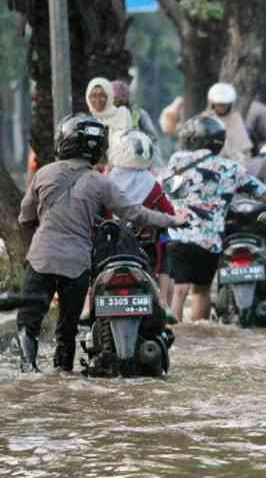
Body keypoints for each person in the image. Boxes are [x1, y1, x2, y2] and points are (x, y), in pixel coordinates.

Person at [15, 114, 188, 373]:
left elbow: (25, 217)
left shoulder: (43, 174)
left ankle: (29, 369)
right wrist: (173, 220)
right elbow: (135, 213)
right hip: (77, 264)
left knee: (28, 322)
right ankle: (63, 372)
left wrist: (34, 247)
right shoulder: (100, 181)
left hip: (41, 259)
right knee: (68, 327)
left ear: (64, 141)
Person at [163, 115, 266, 322]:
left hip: (177, 236)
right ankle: (199, 332)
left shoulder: (176, 162)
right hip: (209, 241)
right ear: (218, 141)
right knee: (201, 291)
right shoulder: (230, 168)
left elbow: (165, 191)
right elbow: (262, 192)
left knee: (179, 290)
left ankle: (178, 338)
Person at [107, 130, 175, 276]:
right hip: (145, 249)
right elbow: (169, 211)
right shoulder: (151, 183)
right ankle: (162, 298)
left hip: (110, 245)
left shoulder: (105, 179)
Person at [204, 82, 254, 170]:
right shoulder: (206, 118)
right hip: (210, 162)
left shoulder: (235, 118)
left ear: (229, 104)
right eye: (219, 104)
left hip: (233, 163)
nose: (221, 107)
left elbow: (243, 146)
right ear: (213, 104)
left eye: (224, 105)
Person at [110, 80, 161, 166]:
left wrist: (155, 164)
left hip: (136, 163)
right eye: (115, 101)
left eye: (121, 101)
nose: (118, 104)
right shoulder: (103, 116)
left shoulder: (139, 115)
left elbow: (153, 140)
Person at [86, 77, 132, 155]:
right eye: (93, 95)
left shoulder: (122, 114)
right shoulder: (86, 120)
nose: (98, 99)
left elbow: (127, 145)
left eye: (102, 95)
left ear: (110, 96)